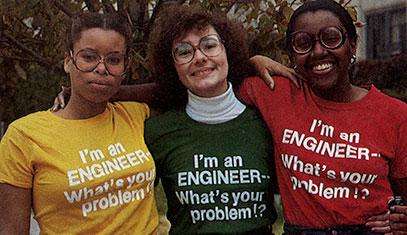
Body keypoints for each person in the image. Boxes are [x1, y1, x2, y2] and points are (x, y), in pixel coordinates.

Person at [238, 0, 407, 234]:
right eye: (303, 43)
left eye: (331, 38)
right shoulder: (274, 92)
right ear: (291, 56)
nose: (318, 52)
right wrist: (252, 63)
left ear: (353, 45)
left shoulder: (395, 113)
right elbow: (208, 78)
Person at [0, 12, 159, 234]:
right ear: (68, 60)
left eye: (114, 60)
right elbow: (12, 230)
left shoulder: (136, 113)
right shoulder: (23, 136)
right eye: (89, 57)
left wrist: (115, 91)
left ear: (125, 66)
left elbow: (182, 92)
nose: (101, 68)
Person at [143, 5, 280, 234]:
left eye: (209, 45)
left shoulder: (266, 122)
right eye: (184, 51)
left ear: (227, 50)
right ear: (172, 65)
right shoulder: (157, 132)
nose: (200, 57)